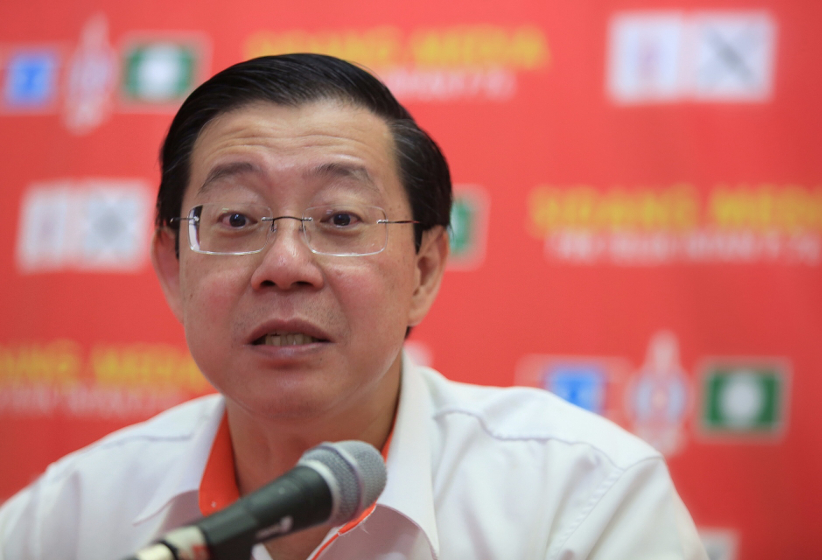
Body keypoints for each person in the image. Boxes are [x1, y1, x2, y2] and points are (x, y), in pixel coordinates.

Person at [0, 54, 708, 560]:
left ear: (424, 269)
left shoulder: (581, 501)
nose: (284, 267)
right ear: (172, 267)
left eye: (340, 219)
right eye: (238, 220)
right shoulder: (73, 515)